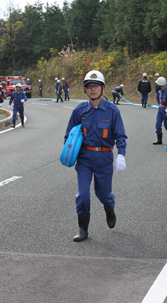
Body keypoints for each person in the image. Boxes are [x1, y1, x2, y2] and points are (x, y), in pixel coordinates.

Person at [64, 70, 127, 242]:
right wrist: (68, 150)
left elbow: (120, 135)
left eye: (96, 86)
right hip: (84, 158)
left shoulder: (112, 111)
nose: (93, 90)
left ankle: (109, 208)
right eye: (89, 87)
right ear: (85, 90)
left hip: (104, 158)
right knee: (83, 194)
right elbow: (69, 134)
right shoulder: (79, 111)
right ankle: (83, 229)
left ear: (102, 88)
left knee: (103, 194)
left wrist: (121, 154)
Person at [153, 77, 167, 145]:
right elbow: (159, 99)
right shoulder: (160, 91)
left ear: (160, 85)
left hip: (166, 110)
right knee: (158, 124)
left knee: (166, 126)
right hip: (160, 109)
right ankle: (159, 140)